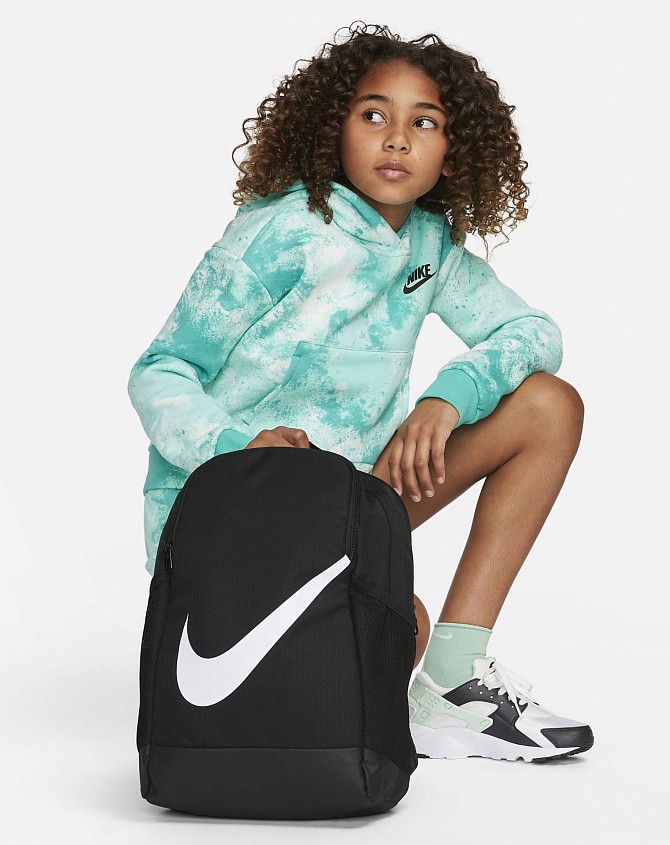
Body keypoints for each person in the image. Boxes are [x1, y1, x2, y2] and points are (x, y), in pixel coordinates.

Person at [127, 22, 593, 763]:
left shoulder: (431, 247)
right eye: (374, 115)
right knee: (396, 623)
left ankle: (453, 681)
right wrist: (239, 449)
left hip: (347, 501)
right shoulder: (280, 231)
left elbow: (533, 331)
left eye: (424, 122)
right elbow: (161, 370)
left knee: (548, 406)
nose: (397, 139)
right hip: (236, 508)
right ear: (332, 130)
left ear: (453, 150)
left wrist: (446, 398)